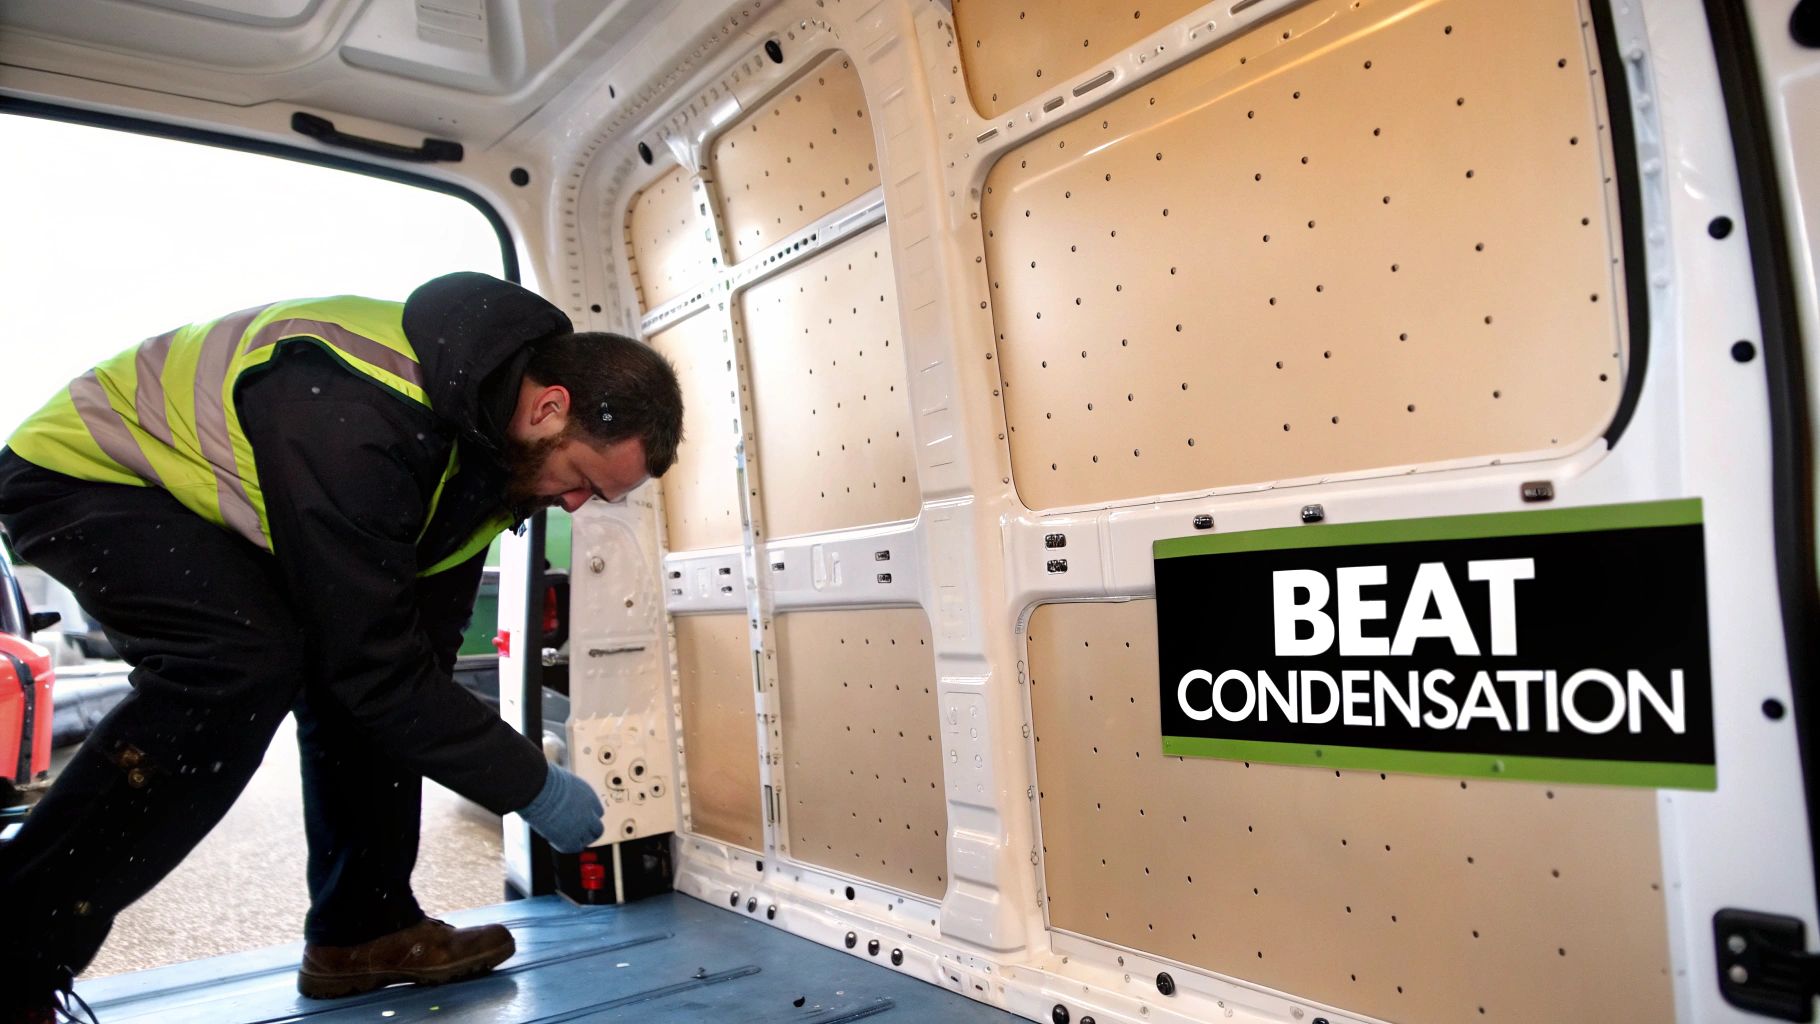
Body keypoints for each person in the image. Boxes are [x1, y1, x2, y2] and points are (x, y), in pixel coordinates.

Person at [0, 271, 684, 1019]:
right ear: (549, 407)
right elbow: (374, 669)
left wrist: (469, 742)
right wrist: (530, 784)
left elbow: (405, 672)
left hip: (217, 509)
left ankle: (363, 929)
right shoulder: (363, 412)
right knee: (236, 664)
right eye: (583, 478)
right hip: (89, 470)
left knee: (373, 684)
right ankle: (14, 948)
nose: (577, 504)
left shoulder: (493, 472)